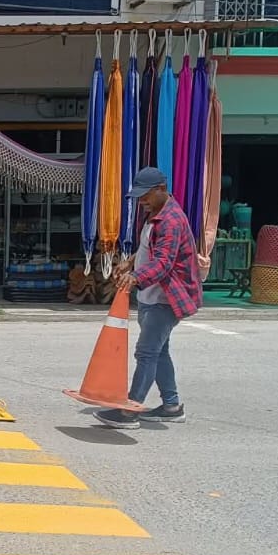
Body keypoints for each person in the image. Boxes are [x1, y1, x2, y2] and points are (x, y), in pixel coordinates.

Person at [96, 166, 202, 429]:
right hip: (151, 295)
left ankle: (129, 411)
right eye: (139, 195)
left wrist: (136, 277)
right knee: (159, 351)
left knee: (146, 353)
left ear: (161, 189)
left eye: (145, 195)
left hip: (166, 299)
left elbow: (164, 262)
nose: (141, 200)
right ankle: (171, 406)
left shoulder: (171, 221)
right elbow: (149, 248)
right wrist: (131, 262)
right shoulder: (156, 213)